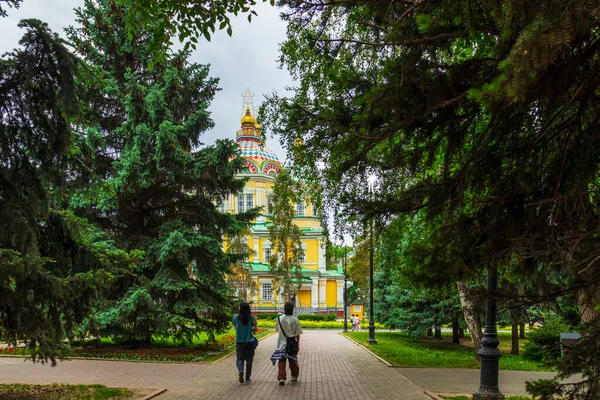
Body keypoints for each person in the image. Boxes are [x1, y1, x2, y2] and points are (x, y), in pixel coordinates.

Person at [270, 302, 303, 385]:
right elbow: (297, 334)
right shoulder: (295, 320)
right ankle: (294, 376)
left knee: (281, 360)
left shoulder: (279, 319)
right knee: (292, 360)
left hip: (281, 343)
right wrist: (297, 344)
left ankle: (281, 378)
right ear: (292, 309)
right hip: (291, 343)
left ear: (284, 309)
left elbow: (277, 330)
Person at [232, 302, 257, 384]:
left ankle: (241, 370)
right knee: (249, 360)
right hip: (249, 341)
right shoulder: (252, 318)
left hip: (239, 341)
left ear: (240, 308)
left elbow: (235, 328)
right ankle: (247, 376)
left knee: (240, 358)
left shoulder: (235, 318)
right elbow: (255, 329)